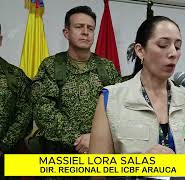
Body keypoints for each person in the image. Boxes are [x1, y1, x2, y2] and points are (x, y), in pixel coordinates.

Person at [89, 16, 185, 155]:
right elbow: (97, 170)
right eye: (162, 45)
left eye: (177, 46)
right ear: (140, 50)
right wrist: (143, 164)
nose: (173, 53)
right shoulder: (111, 99)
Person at [32, 6, 121, 154]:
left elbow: (119, 108)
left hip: (98, 153)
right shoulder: (51, 66)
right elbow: (43, 110)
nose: (85, 32)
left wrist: (95, 139)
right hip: (59, 154)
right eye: (79, 27)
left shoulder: (107, 67)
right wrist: (78, 139)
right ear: (66, 33)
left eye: (90, 28)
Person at [0, 24, 32, 176]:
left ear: (0, 40)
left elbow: (25, 115)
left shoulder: (15, 76)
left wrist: (4, 146)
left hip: (6, 157)